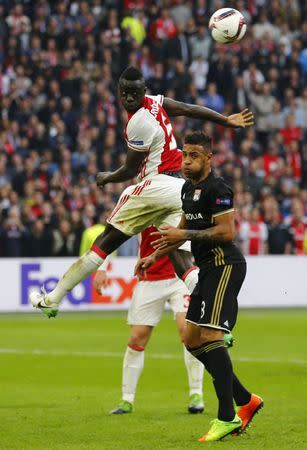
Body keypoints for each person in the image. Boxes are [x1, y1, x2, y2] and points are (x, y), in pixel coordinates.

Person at [30, 66, 254, 317]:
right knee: (180, 258)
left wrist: (106, 177)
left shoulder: (138, 122)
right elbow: (190, 109)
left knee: (104, 242)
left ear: (143, 91)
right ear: (119, 91)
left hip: (156, 185)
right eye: (125, 92)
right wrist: (225, 119)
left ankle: (52, 299)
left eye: (133, 92)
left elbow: (128, 170)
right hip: (181, 189)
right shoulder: (157, 102)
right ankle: (210, 307)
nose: (128, 98)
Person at [135, 132, 263, 443]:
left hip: (225, 265)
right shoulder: (187, 190)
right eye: (184, 155)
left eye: (193, 156)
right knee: (191, 339)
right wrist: (154, 256)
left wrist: (186, 235)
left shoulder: (218, 189)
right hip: (207, 269)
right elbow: (179, 231)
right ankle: (246, 400)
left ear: (208, 159)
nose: (186, 161)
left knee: (211, 335)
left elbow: (226, 232)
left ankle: (227, 416)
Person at [94, 225, 205, 415]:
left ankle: (196, 394)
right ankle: (126, 400)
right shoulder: (144, 204)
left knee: (188, 333)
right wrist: (102, 268)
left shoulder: (181, 202)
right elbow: (116, 231)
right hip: (149, 278)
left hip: (180, 277)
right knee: (137, 338)